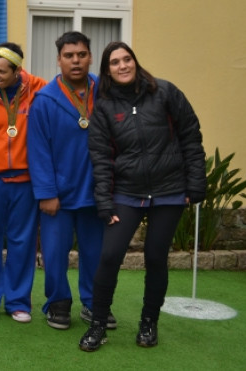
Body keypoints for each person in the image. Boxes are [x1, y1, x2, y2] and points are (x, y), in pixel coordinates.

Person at [79, 42, 205, 352]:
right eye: (115, 62)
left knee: (155, 258)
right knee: (110, 256)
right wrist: (105, 202)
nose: (123, 65)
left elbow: (190, 135)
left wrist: (195, 184)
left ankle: (149, 322)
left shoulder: (165, 92)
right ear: (107, 70)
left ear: (135, 62)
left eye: (127, 59)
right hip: (127, 192)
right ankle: (98, 324)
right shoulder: (104, 107)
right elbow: (100, 158)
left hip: (169, 190)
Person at [28, 32, 110, 330]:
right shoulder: (45, 100)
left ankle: (94, 303)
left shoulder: (106, 92)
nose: (76, 61)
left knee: (96, 253)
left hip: (97, 191)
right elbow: (38, 150)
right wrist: (47, 193)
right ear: (59, 60)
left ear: (90, 57)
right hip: (58, 196)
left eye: (82, 55)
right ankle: (58, 301)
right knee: (54, 253)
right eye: (69, 56)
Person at [0, 42, 47, 323]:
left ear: (18, 71)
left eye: (2, 72)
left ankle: (18, 302)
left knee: (22, 241)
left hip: (25, 179)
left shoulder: (38, 88)